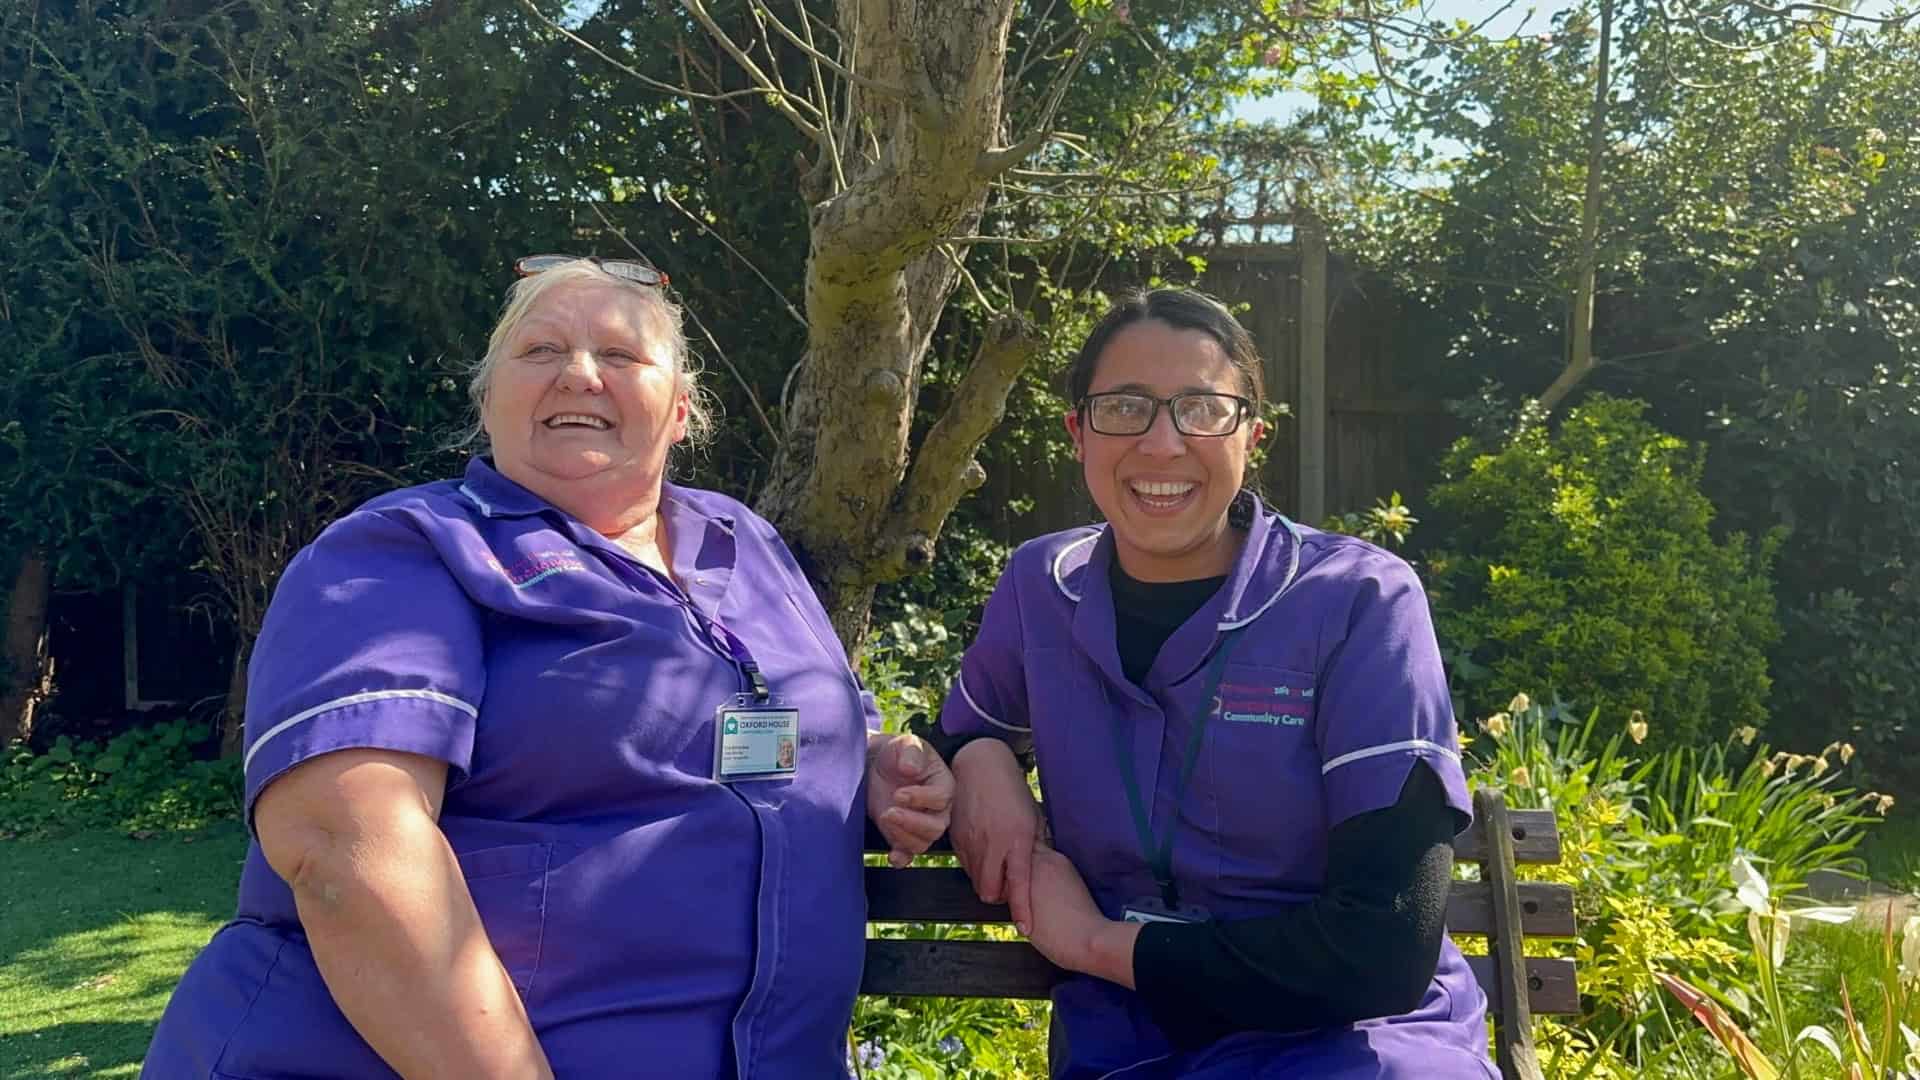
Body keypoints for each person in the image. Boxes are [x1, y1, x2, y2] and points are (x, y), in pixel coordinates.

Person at [142, 256, 953, 1079]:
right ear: (488, 400)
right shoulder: (400, 553)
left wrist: (873, 762)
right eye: (540, 351)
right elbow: (343, 845)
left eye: (623, 355)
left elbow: (806, 705)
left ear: (679, 410)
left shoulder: (746, 542)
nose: (579, 374)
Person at [936, 288, 1496, 1078]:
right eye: (1125, 407)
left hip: (1350, 1043)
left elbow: (1383, 952)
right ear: (1077, 433)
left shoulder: (1358, 602)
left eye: (1202, 409)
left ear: (1251, 439)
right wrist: (981, 760)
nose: (1163, 445)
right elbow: (965, 727)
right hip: (1130, 1043)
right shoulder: (1041, 586)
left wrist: (1098, 944)